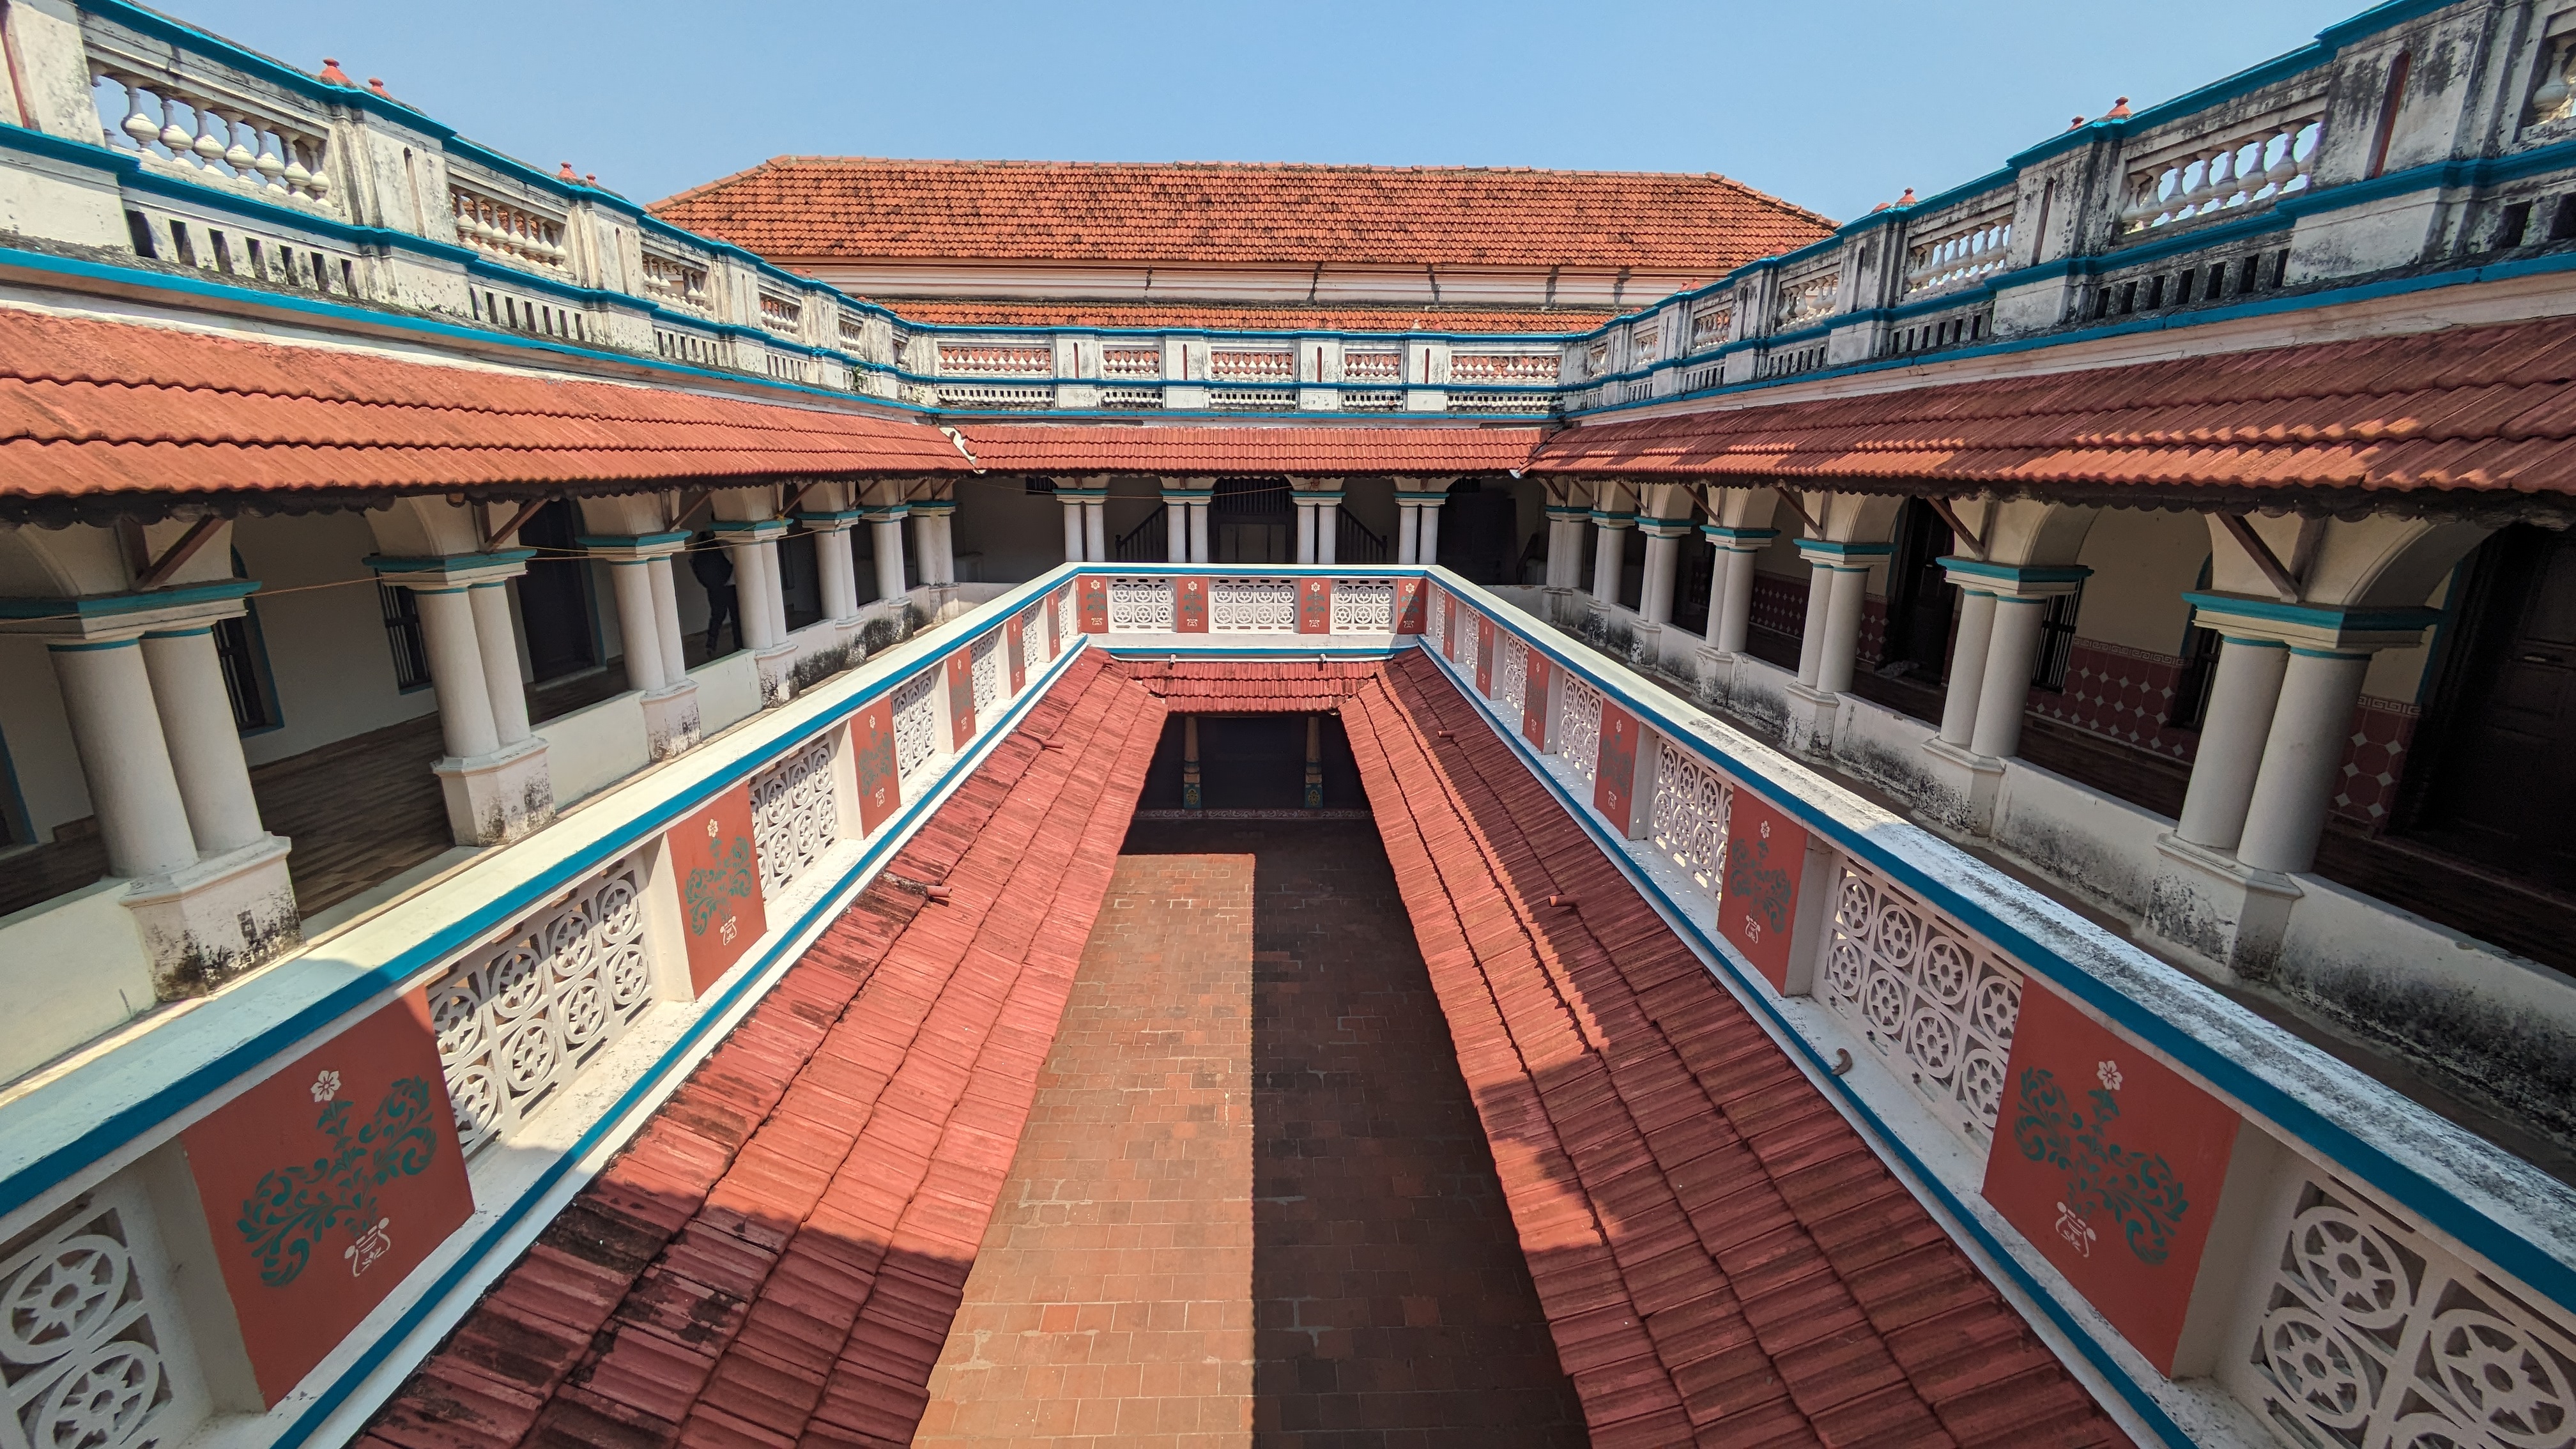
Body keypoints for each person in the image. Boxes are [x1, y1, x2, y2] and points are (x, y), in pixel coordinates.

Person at [691, 535, 738, 655]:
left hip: (714, 588)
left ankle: (711, 645)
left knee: (717, 617)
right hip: (730, 585)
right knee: (736, 616)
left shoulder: (701, 549)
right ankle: (739, 644)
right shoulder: (724, 544)